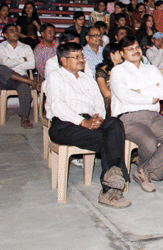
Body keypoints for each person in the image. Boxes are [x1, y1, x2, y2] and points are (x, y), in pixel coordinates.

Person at [44, 42, 131, 208]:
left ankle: (112, 177)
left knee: (114, 123)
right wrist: (83, 122)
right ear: (63, 60)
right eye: (76, 57)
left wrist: (98, 118)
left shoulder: (87, 79)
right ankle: (110, 190)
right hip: (65, 124)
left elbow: (99, 103)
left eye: (82, 56)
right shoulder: (56, 77)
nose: (81, 60)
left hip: (90, 121)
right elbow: (57, 106)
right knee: (110, 139)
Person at [110, 36, 163, 193]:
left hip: (153, 116)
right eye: (130, 49)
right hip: (129, 117)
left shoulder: (151, 69)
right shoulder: (118, 71)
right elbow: (124, 96)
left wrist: (139, 91)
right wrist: (151, 96)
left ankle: (144, 170)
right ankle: (147, 171)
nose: (135, 51)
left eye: (137, 47)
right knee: (149, 142)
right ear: (122, 54)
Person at [0, 24, 39, 128]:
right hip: (5, 80)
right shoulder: (0, 47)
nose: (15, 33)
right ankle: (30, 82)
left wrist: (12, 62)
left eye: (16, 30)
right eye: (11, 31)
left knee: (24, 86)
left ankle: (24, 117)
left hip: (21, 79)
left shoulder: (26, 47)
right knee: (0, 69)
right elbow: (5, 63)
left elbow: (31, 65)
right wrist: (22, 59)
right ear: (5, 35)